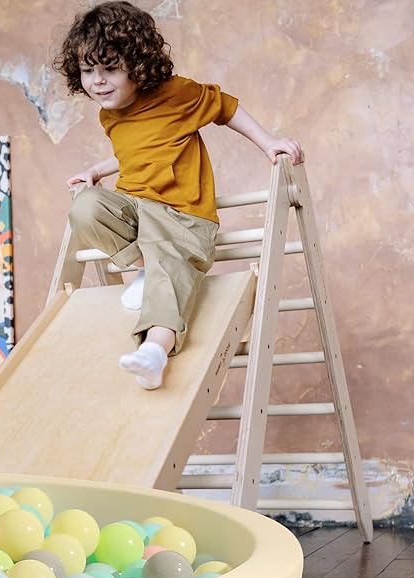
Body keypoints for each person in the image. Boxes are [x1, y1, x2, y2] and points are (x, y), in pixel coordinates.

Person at [54, 1, 303, 390]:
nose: (98, 81)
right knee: (84, 206)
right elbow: (136, 151)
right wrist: (96, 172)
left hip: (182, 215)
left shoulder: (176, 94)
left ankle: (154, 351)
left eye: (110, 68)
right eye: (88, 71)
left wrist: (269, 142)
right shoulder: (109, 114)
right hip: (138, 209)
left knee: (169, 263)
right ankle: (147, 267)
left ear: (138, 64)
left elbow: (226, 108)